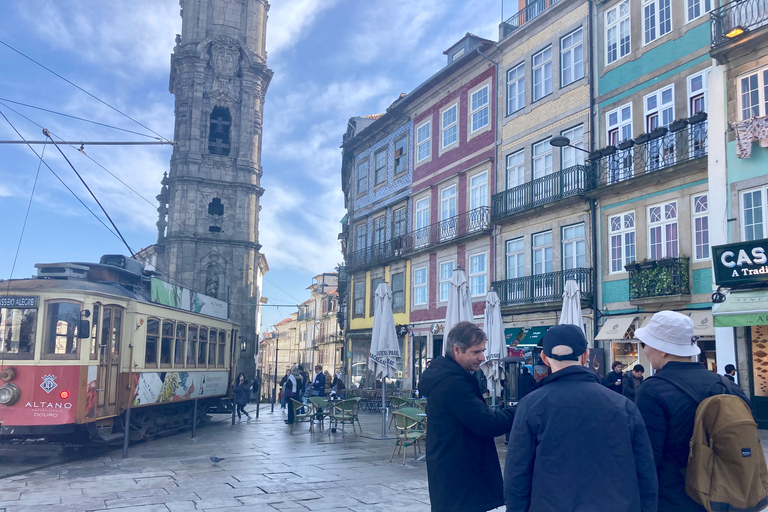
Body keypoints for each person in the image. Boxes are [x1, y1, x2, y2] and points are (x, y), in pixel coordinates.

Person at [504, 324, 657, 512]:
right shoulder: (623, 406)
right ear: (585, 356)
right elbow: (646, 473)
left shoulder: (531, 406)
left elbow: (517, 475)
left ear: (544, 358)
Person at [635, 311, 748, 512]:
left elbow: (648, 456)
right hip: (727, 495)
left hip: (677, 496)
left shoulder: (652, 390)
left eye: (646, 343)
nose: (644, 350)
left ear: (662, 349)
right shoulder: (726, 385)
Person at [417, 321, 514, 512]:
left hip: (452, 477)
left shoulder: (448, 376)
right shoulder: (453, 384)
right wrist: (519, 411)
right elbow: (486, 424)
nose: (482, 357)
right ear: (457, 351)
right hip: (460, 481)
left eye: (483, 350)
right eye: (476, 352)